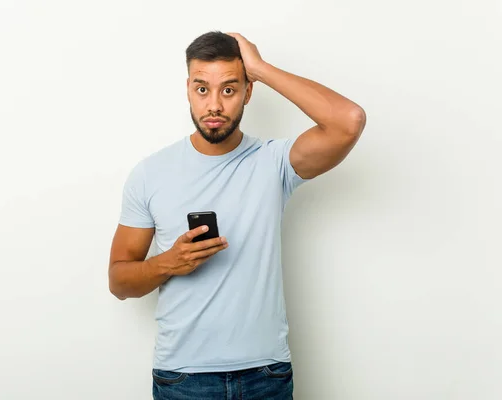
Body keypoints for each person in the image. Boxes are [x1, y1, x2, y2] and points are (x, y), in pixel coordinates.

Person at [108, 31, 366, 400]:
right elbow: (119, 281)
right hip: (184, 379)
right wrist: (168, 263)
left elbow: (349, 120)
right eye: (202, 89)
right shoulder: (151, 173)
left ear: (248, 92)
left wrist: (259, 68)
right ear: (187, 89)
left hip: (266, 375)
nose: (214, 104)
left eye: (228, 90)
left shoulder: (274, 161)